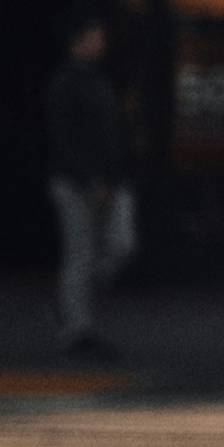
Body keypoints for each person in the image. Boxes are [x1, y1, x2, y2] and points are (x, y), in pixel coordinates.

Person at [41, 22, 135, 352]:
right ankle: (76, 325)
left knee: (119, 245)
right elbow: (63, 136)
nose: (100, 43)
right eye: (94, 37)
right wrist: (88, 176)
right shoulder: (66, 82)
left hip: (109, 177)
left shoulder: (98, 78)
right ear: (76, 41)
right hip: (76, 180)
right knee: (80, 253)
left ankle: (71, 304)